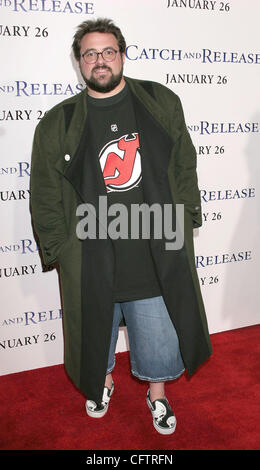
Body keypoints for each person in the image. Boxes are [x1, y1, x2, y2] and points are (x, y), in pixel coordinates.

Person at [30, 18, 212, 435]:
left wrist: (184, 220)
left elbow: (185, 163)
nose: (100, 60)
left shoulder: (160, 101)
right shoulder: (58, 122)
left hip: (152, 252)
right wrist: (61, 249)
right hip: (91, 254)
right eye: (90, 53)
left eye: (107, 51)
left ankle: (158, 395)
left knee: (160, 342)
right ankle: (103, 381)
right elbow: (43, 191)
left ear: (122, 54)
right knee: (95, 333)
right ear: (79, 62)